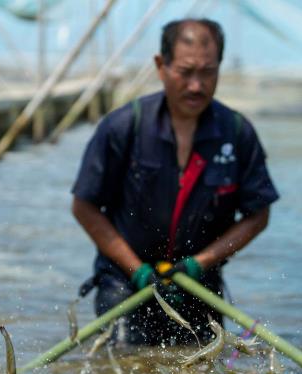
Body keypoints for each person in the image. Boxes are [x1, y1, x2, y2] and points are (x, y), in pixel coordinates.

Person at [71, 18, 279, 345]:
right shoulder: (124, 127)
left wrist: (200, 264)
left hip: (197, 287)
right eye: (185, 72)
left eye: (208, 72)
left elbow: (258, 215)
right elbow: (84, 206)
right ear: (161, 65)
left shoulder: (237, 133)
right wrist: (137, 270)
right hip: (126, 284)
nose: (196, 86)